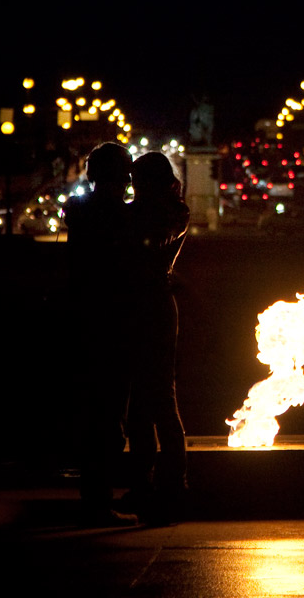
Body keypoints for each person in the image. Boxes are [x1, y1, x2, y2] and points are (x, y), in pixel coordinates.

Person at [64, 142, 138, 527]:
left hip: (83, 324)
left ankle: (91, 496)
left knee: (92, 414)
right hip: (112, 326)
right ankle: (99, 503)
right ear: (123, 178)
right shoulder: (119, 218)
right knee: (110, 418)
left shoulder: (79, 212)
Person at [121, 151, 191, 525]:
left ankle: (171, 484)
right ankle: (147, 483)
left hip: (151, 306)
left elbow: (146, 241)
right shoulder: (163, 210)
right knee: (142, 403)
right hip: (143, 304)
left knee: (160, 398)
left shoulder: (168, 212)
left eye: (136, 180)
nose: (132, 187)